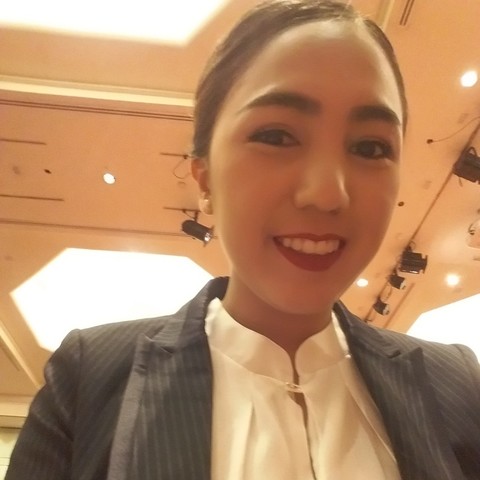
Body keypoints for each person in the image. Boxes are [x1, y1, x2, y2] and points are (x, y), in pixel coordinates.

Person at [6, 1, 480, 479]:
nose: (326, 193)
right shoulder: (92, 375)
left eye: (370, 147)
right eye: (276, 136)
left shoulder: (455, 384)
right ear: (205, 178)